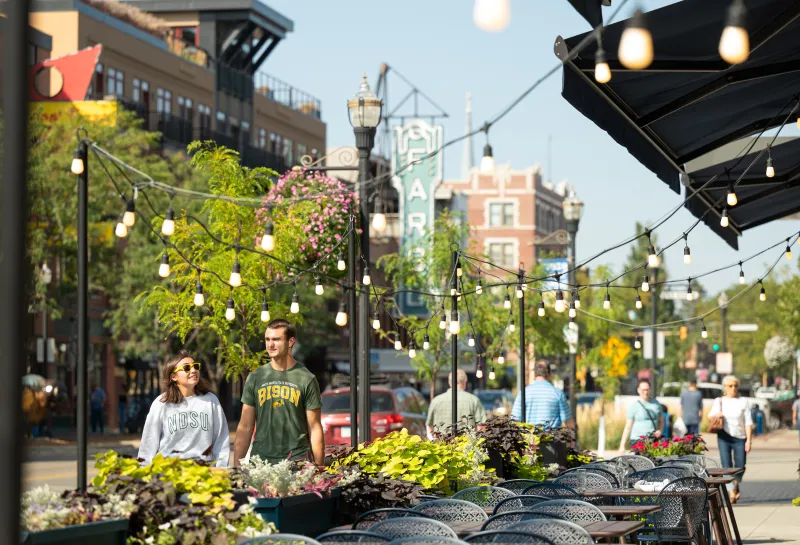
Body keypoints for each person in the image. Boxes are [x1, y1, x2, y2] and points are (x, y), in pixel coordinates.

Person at [233, 319, 324, 466]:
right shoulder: (256, 377)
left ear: (290, 342)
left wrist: (319, 467)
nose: (270, 344)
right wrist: (236, 466)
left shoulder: (306, 379)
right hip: (261, 463)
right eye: (267, 339)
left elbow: (314, 427)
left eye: (276, 339)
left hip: (297, 462)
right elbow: (245, 426)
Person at [137, 350, 230, 467]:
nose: (193, 370)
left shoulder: (210, 400)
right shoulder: (161, 403)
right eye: (186, 368)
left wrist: (221, 469)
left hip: (204, 472)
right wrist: (144, 474)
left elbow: (221, 440)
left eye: (195, 366)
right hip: (170, 472)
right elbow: (148, 443)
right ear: (174, 377)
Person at [708, 375, 753, 504]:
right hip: (724, 436)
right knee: (726, 465)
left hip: (740, 437)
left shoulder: (743, 402)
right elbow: (709, 416)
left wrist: (749, 440)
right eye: (730, 386)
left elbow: (748, 422)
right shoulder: (719, 401)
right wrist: (716, 415)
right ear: (725, 388)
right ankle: (732, 490)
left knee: (740, 466)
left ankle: (736, 481)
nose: (733, 388)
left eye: (735, 386)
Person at [511, 360, 574, 428]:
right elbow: (569, 422)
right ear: (550, 374)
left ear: (535, 374)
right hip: (551, 437)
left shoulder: (523, 393)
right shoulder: (557, 394)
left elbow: (515, 420)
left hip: (529, 437)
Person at [426, 369, 486, 434]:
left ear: (450, 382)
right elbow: (481, 426)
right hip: (468, 442)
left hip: (441, 443)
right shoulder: (474, 400)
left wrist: (435, 440)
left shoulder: (436, 401)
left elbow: (429, 425)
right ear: (465, 382)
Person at [619, 380, 663, 453]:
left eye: (647, 389)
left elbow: (661, 421)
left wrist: (660, 431)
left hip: (652, 439)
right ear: (638, 390)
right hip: (637, 440)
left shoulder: (656, 404)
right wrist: (622, 445)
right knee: (639, 462)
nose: (645, 392)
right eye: (643, 390)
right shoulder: (634, 406)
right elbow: (628, 426)